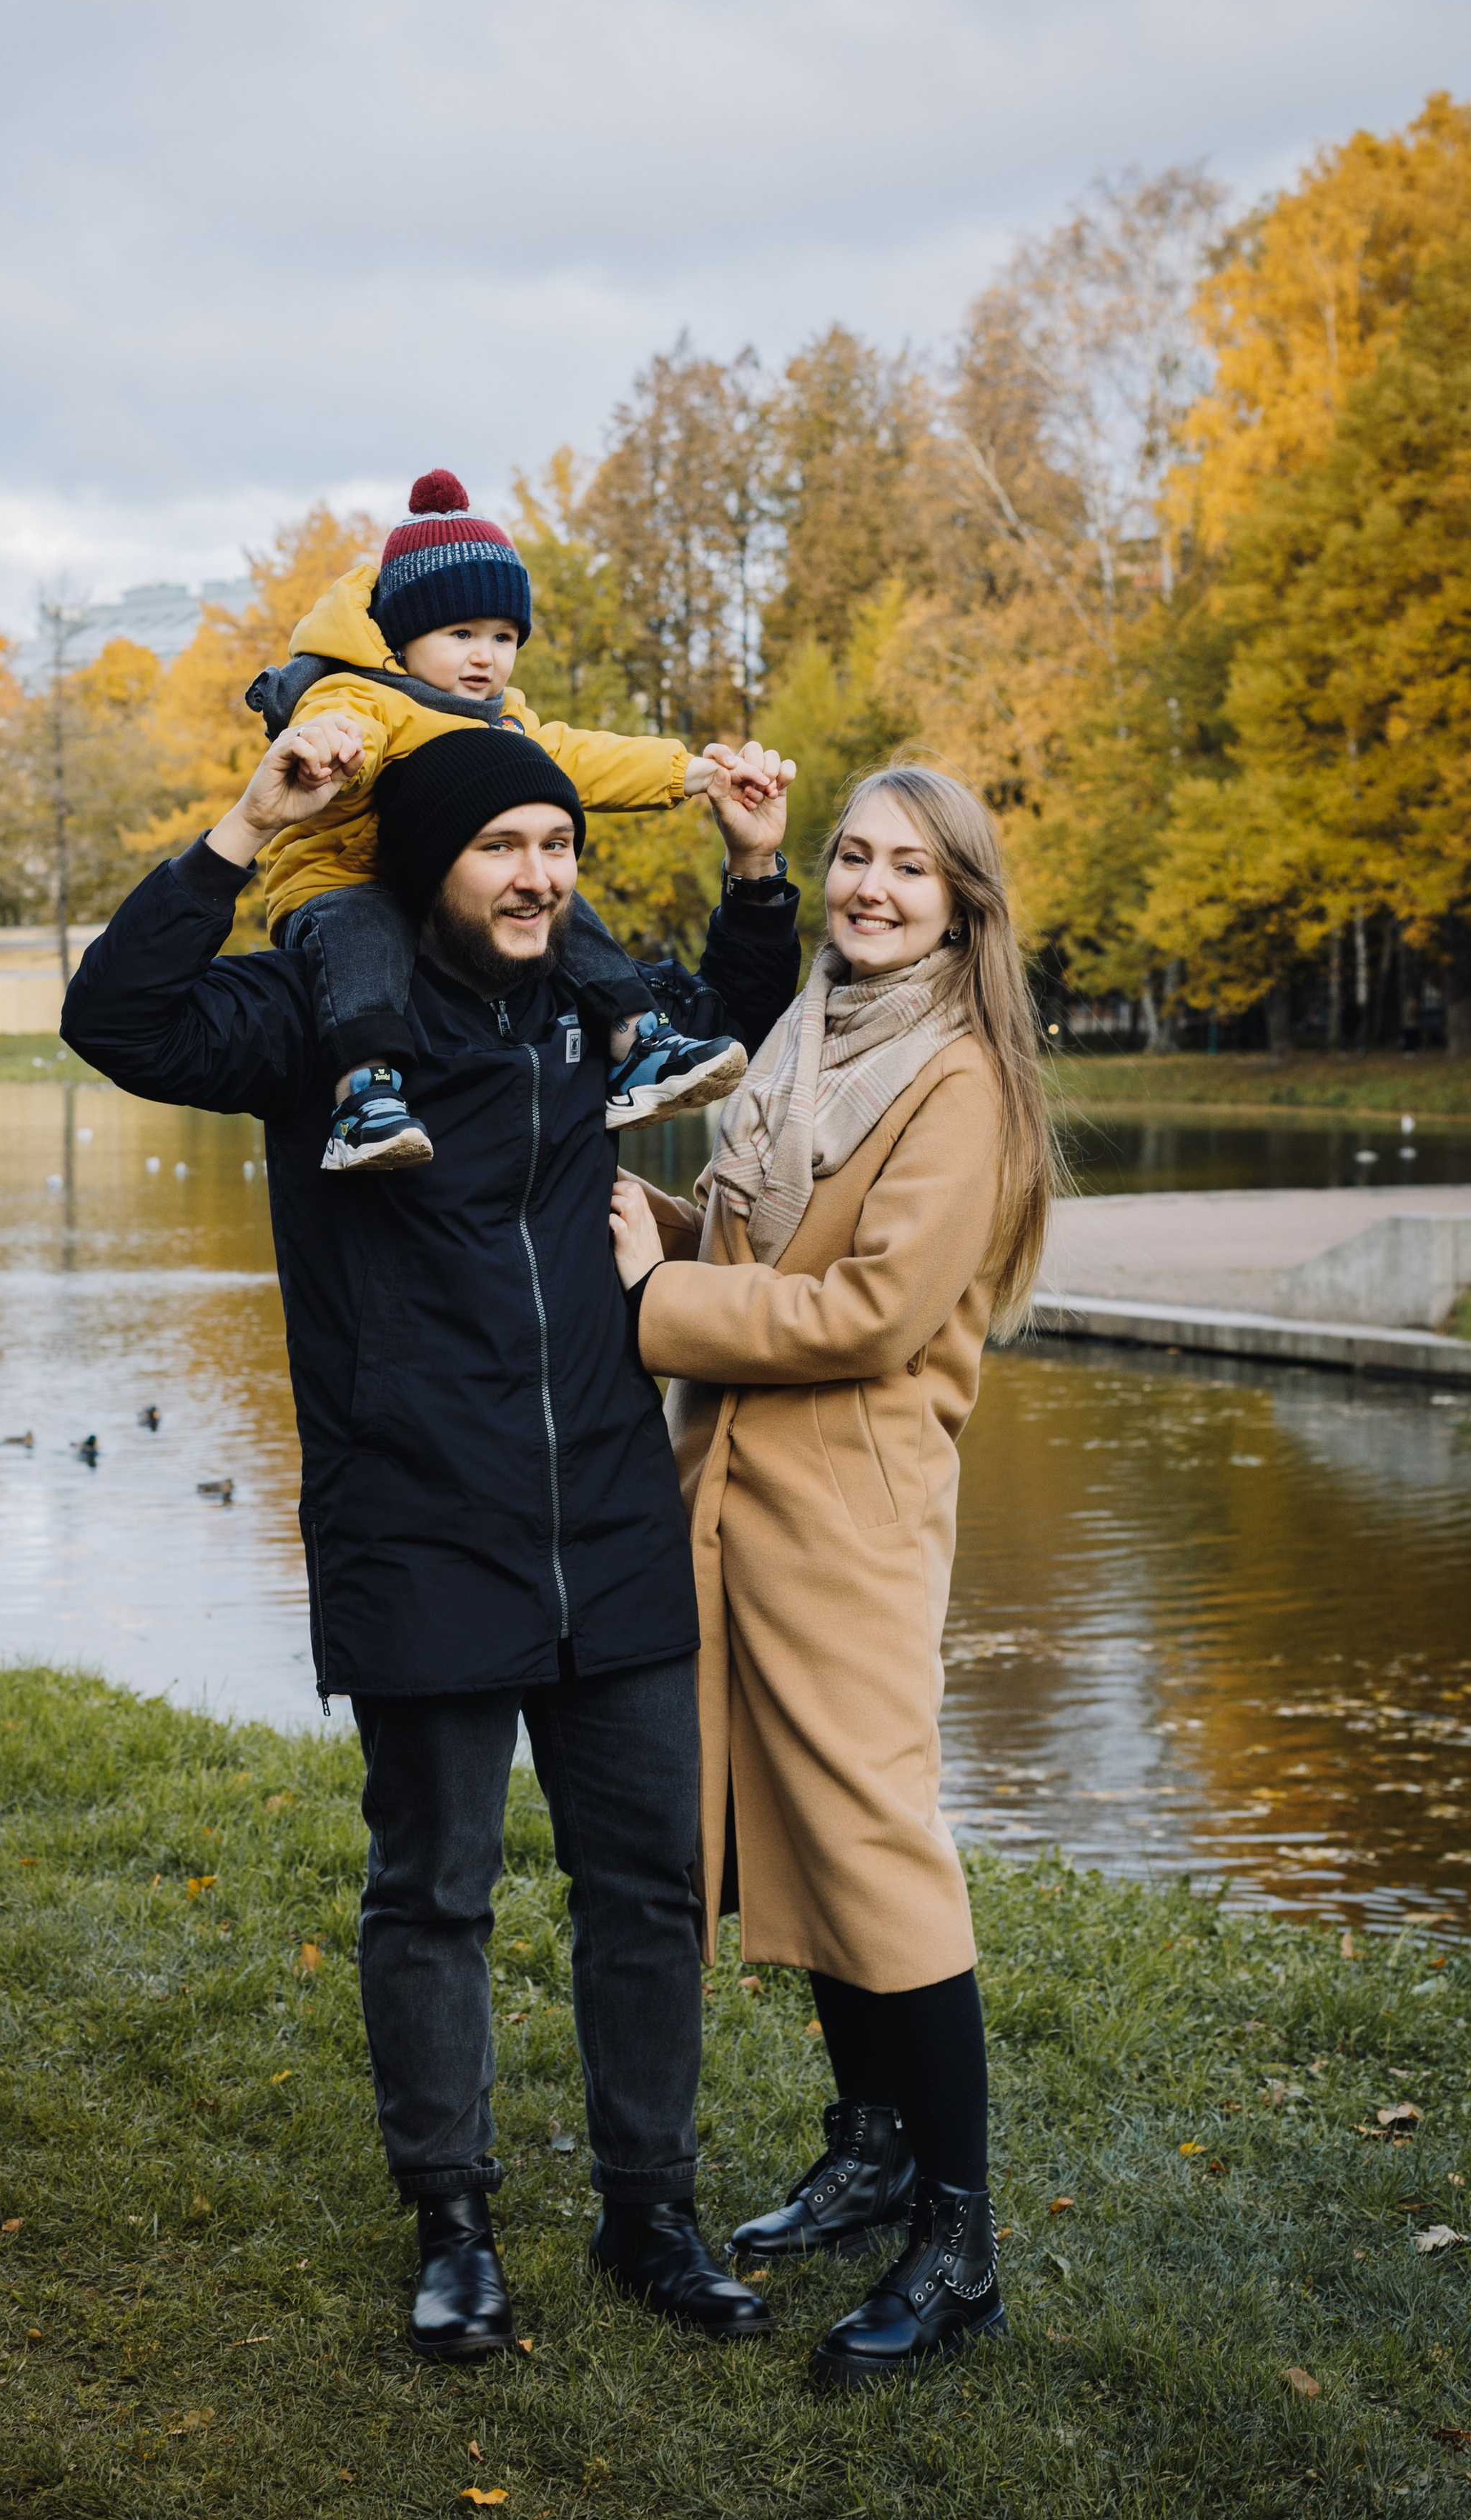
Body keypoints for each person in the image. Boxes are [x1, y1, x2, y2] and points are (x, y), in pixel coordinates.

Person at [61, 719, 802, 2361]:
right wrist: (246, 823)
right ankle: (452, 2221)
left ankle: (648, 2208)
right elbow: (115, 1016)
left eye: (554, 842)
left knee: (641, 1888)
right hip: (417, 1521)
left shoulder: (586, 1014)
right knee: (431, 1891)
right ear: (431, 862)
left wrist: (755, 867)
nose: (536, 874)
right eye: (500, 847)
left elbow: (747, 1025)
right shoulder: (320, 1017)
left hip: (606, 1519)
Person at [606, 762, 1058, 2388]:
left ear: (960, 904)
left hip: (847, 1518)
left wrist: (651, 1302)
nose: (867, 887)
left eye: (906, 869)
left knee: (874, 1848)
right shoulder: (805, 1037)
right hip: (732, 1495)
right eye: (852, 855)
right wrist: (647, 1221)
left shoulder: (956, 1083)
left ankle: (957, 2241)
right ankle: (865, 2150)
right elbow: (756, 1260)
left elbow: (863, 1314)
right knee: (791, 1832)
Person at [252, 469, 763, 1172]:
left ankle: (638, 1042)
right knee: (358, 938)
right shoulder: (364, 694)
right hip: (343, 880)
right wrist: (336, 753)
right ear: (403, 637)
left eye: (502, 636)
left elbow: (579, 758)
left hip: (451, 893)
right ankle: (364, 1098)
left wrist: (695, 773)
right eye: (460, 633)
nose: (483, 656)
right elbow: (345, 728)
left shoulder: (504, 719)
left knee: (553, 898)